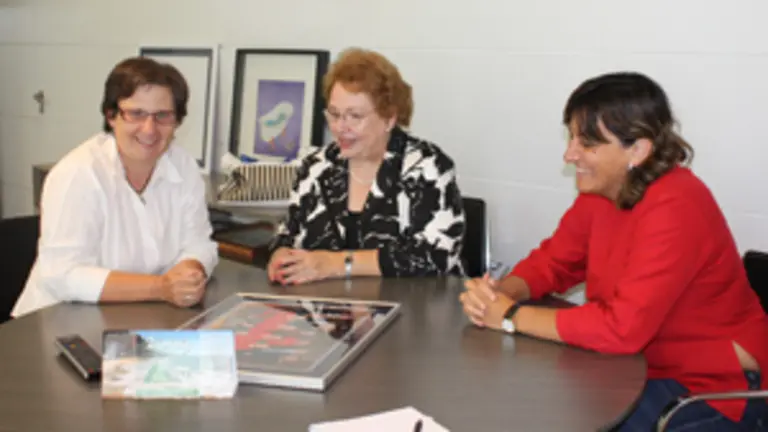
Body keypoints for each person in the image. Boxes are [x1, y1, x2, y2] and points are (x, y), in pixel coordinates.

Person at [460, 72, 768, 431]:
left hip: (711, 385)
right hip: (637, 365)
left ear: (637, 149)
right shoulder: (602, 190)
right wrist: (499, 294)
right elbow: (554, 262)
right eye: (571, 136)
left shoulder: (677, 204)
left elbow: (622, 329)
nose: (570, 153)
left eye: (588, 143)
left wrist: (511, 317)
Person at [11, 56, 219, 318]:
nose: (149, 129)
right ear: (111, 115)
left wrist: (190, 271)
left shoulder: (183, 166)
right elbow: (62, 275)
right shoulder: (79, 174)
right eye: (136, 113)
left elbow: (200, 244)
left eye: (162, 115)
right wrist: (161, 287)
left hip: (138, 316)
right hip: (57, 322)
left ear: (176, 120)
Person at [267, 47, 465, 285]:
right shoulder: (317, 167)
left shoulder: (427, 166)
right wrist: (280, 256)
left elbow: (435, 257)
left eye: (354, 116)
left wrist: (335, 264)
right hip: (326, 311)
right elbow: (289, 234)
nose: (340, 127)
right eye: (334, 114)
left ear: (389, 118)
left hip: (413, 311)